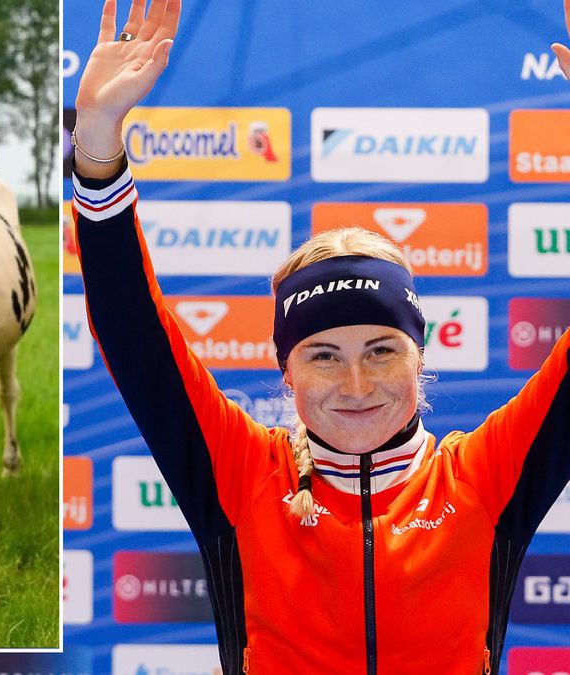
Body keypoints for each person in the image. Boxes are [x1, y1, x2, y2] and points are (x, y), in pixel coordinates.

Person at [71, 1, 570, 673]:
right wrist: (98, 140)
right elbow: (137, 335)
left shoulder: (481, 478)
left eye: (382, 350)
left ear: (421, 356)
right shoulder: (244, 474)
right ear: (286, 372)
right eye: (324, 355)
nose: (356, 384)